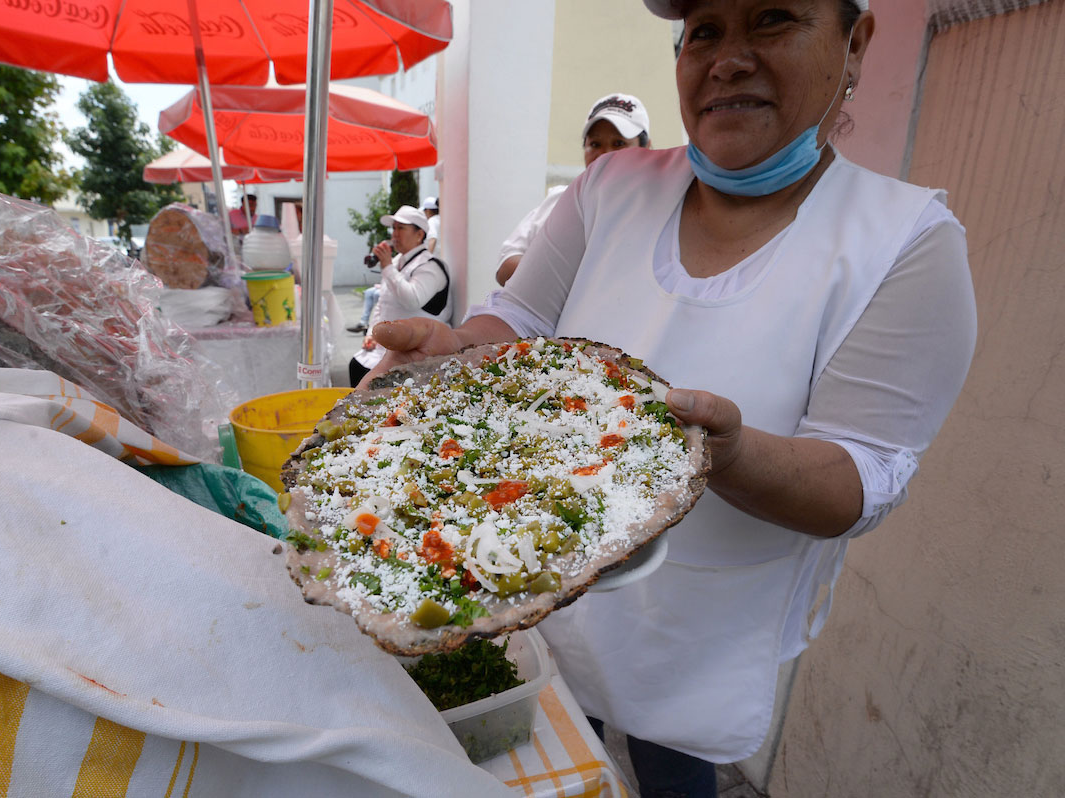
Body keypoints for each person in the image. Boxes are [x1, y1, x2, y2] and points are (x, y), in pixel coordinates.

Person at [363, 1, 977, 796]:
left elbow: (860, 476)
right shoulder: (610, 187)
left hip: (700, 637)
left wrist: (733, 454)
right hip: (542, 589)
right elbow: (516, 321)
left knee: (672, 772)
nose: (727, 59)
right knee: (551, 756)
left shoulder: (903, 241)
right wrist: (460, 349)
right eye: (705, 32)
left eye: (772, 19)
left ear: (854, 43)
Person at [496, 93, 652, 286]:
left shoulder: (661, 208)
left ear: (646, 148)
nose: (605, 154)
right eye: (595, 144)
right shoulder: (563, 200)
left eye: (619, 143)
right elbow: (506, 264)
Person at [347, 205, 452, 387]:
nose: (395, 234)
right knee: (356, 366)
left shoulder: (430, 266)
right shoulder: (397, 262)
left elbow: (412, 300)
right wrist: (372, 333)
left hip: (419, 349)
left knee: (369, 380)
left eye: (401, 228)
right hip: (390, 346)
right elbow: (383, 302)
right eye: (394, 228)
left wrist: (387, 267)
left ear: (419, 235)